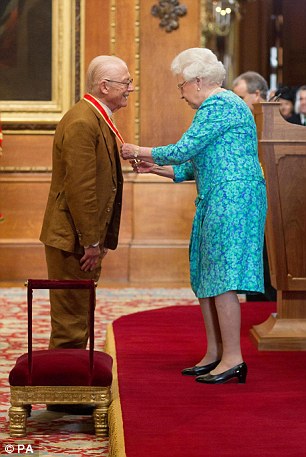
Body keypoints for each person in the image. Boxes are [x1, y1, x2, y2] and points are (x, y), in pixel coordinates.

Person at [120, 48, 267, 384]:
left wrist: (137, 150)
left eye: (181, 85)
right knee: (205, 274)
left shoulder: (220, 104)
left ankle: (232, 358)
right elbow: (186, 167)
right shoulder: (215, 107)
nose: (181, 92)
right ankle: (215, 353)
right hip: (216, 198)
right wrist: (152, 167)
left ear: (198, 81)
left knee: (223, 276)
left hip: (233, 199)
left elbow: (182, 149)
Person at [40, 55, 134, 350]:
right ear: (104, 86)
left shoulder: (95, 116)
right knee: (70, 323)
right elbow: (81, 188)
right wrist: (91, 243)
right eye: (126, 82)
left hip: (79, 238)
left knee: (79, 315)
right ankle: (66, 395)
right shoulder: (83, 121)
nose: (131, 88)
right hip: (73, 241)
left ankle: (75, 388)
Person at [233, 71, 276, 302]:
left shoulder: (273, 125)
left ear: (257, 95)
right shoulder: (241, 123)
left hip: (274, 201)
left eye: (240, 98)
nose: (236, 104)